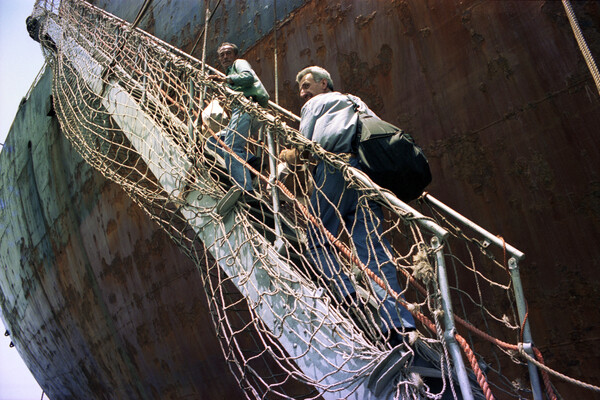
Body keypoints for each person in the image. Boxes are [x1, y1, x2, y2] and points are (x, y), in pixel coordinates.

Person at [282, 66, 416, 339]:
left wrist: (285, 155)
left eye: (307, 85)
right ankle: (398, 323)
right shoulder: (355, 101)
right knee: (372, 248)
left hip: (334, 169)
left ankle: (346, 296)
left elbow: (304, 148)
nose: (302, 94)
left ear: (323, 84)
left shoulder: (316, 104)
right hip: (365, 173)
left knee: (317, 237)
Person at [207, 42, 269, 211]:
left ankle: (246, 191)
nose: (225, 57)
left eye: (228, 53)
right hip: (246, 111)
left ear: (235, 55)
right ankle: (251, 160)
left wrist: (226, 79)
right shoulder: (229, 74)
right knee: (213, 141)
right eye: (222, 55)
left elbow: (248, 77)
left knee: (231, 147)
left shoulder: (238, 64)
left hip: (247, 107)